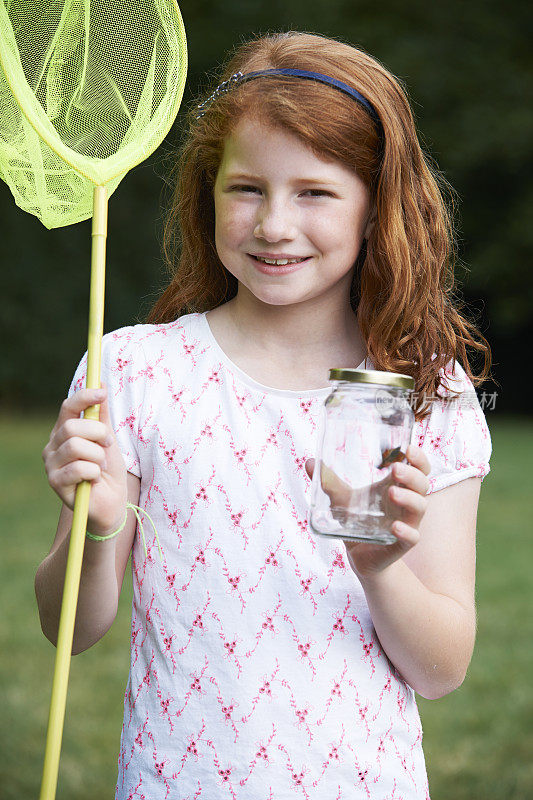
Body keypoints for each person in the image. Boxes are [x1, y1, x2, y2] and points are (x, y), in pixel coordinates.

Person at [36, 31, 492, 799]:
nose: (274, 224)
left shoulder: (420, 389)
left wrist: (379, 567)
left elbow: (441, 670)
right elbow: (68, 632)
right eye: (246, 188)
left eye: (314, 192)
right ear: (207, 190)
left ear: (375, 205)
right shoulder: (137, 371)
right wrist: (100, 525)